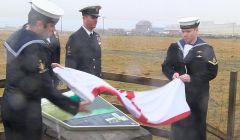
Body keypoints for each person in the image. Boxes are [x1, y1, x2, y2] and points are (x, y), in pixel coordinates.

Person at [1, 0, 90, 140]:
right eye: (52, 25)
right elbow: (45, 87)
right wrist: (73, 106)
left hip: (9, 106)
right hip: (26, 113)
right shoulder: (36, 46)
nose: (54, 30)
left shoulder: (18, 35)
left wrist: (49, 67)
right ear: (39, 24)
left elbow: (27, 70)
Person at [162, 17, 218, 140]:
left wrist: (192, 78)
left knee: (197, 128)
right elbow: (166, 66)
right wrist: (172, 74)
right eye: (183, 31)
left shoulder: (206, 49)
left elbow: (212, 72)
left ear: (197, 30)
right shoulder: (175, 47)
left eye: (188, 31)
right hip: (178, 95)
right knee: (178, 126)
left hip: (199, 98)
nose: (185, 34)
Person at [65, 5, 102, 77]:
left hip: (96, 81)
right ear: (84, 18)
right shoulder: (74, 38)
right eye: (93, 17)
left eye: (96, 17)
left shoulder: (97, 36)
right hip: (81, 82)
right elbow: (70, 65)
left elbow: (97, 60)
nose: (96, 20)